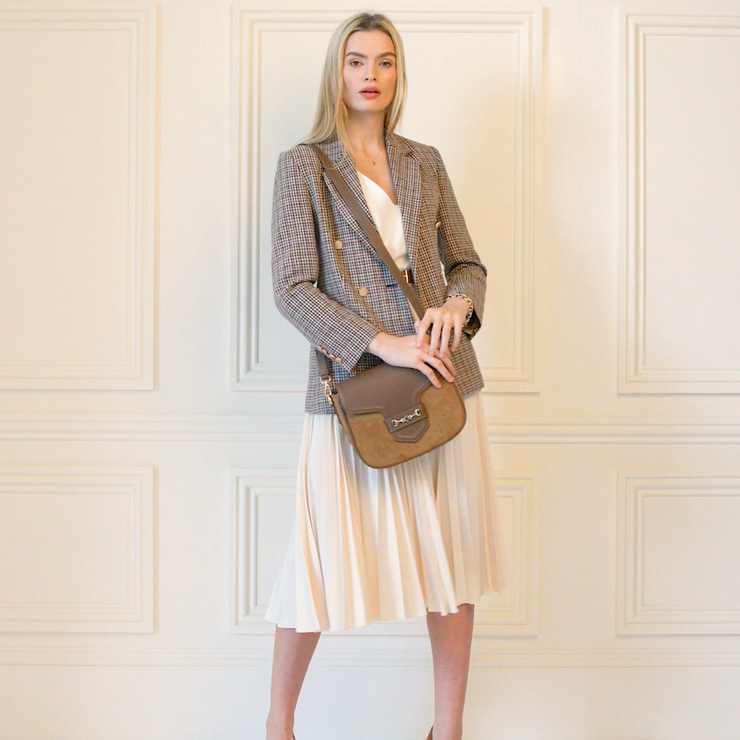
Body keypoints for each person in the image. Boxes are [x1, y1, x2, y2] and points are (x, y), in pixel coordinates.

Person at [265, 12, 501, 740]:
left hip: (442, 383)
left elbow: (467, 263)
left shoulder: (424, 161)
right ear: (336, 72)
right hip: (357, 392)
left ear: (399, 74)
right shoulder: (304, 166)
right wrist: (384, 344)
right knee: (316, 565)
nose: (371, 74)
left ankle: (447, 729)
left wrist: (458, 307)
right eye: (356, 60)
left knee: (452, 563)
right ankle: (278, 726)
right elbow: (293, 288)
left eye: (385, 61)